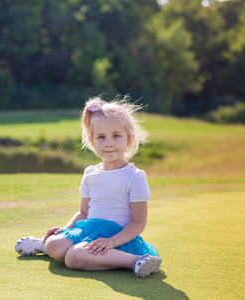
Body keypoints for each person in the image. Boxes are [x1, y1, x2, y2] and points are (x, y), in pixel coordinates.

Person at [15, 96, 161, 278]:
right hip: (88, 231)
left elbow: (138, 223)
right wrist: (66, 228)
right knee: (55, 245)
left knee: (74, 257)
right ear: (92, 141)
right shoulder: (90, 173)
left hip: (118, 239)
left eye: (116, 136)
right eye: (101, 137)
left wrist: (111, 241)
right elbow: (83, 213)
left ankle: (136, 261)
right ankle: (42, 245)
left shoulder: (135, 176)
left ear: (129, 139)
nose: (109, 143)